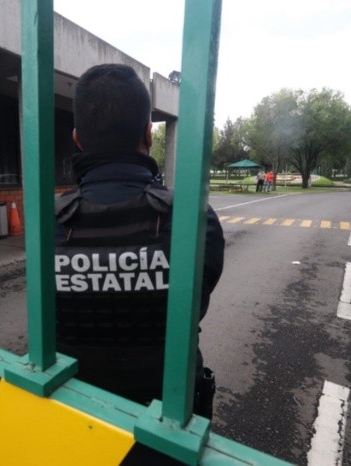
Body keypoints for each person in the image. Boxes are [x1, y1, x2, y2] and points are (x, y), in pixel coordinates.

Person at [54, 64, 225, 418]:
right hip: (167, 418)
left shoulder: (47, 221)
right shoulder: (193, 217)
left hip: (74, 412)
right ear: (148, 134)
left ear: (77, 139)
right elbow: (196, 302)